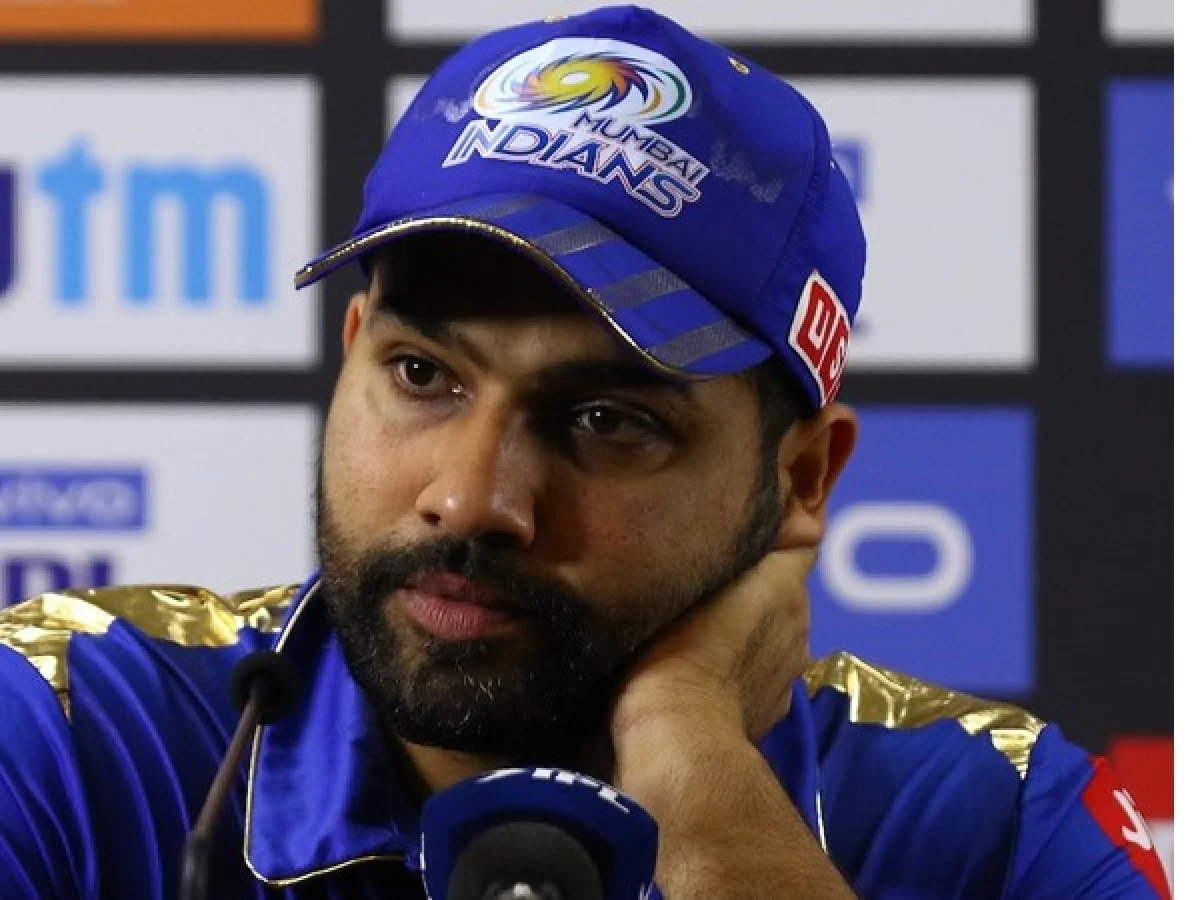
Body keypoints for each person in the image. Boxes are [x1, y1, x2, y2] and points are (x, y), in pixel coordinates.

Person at [0, 6, 1170, 899]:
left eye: (608, 422)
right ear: (352, 352)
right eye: (423, 376)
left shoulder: (997, 826)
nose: (472, 498)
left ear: (801, 479)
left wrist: (697, 774)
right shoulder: (62, 729)